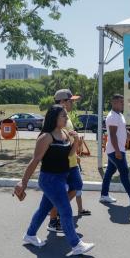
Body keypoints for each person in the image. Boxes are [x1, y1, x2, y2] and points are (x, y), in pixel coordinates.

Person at [14, 105, 94, 255]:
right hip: (50, 180)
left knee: (43, 209)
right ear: (54, 118)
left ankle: (30, 235)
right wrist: (23, 182)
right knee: (65, 210)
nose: (66, 118)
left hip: (61, 178)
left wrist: (76, 141)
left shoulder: (64, 133)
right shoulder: (46, 137)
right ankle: (76, 245)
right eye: (63, 116)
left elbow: (69, 156)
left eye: (66, 116)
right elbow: (35, 160)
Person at [47, 89, 90, 234]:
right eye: (71, 101)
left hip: (71, 159)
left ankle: (57, 212)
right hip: (63, 162)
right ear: (62, 102)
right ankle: (53, 220)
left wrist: (75, 151)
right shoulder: (56, 119)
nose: (73, 103)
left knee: (76, 186)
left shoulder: (67, 117)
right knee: (61, 193)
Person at [99, 94, 130, 205]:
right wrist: (117, 151)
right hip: (115, 150)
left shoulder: (119, 115)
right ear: (114, 103)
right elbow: (112, 135)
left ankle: (104, 195)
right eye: (121, 102)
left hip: (115, 149)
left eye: (123, 102)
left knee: (110, 172)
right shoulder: (112, 117)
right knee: (124, 171)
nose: (123, 104)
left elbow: (124, 131)